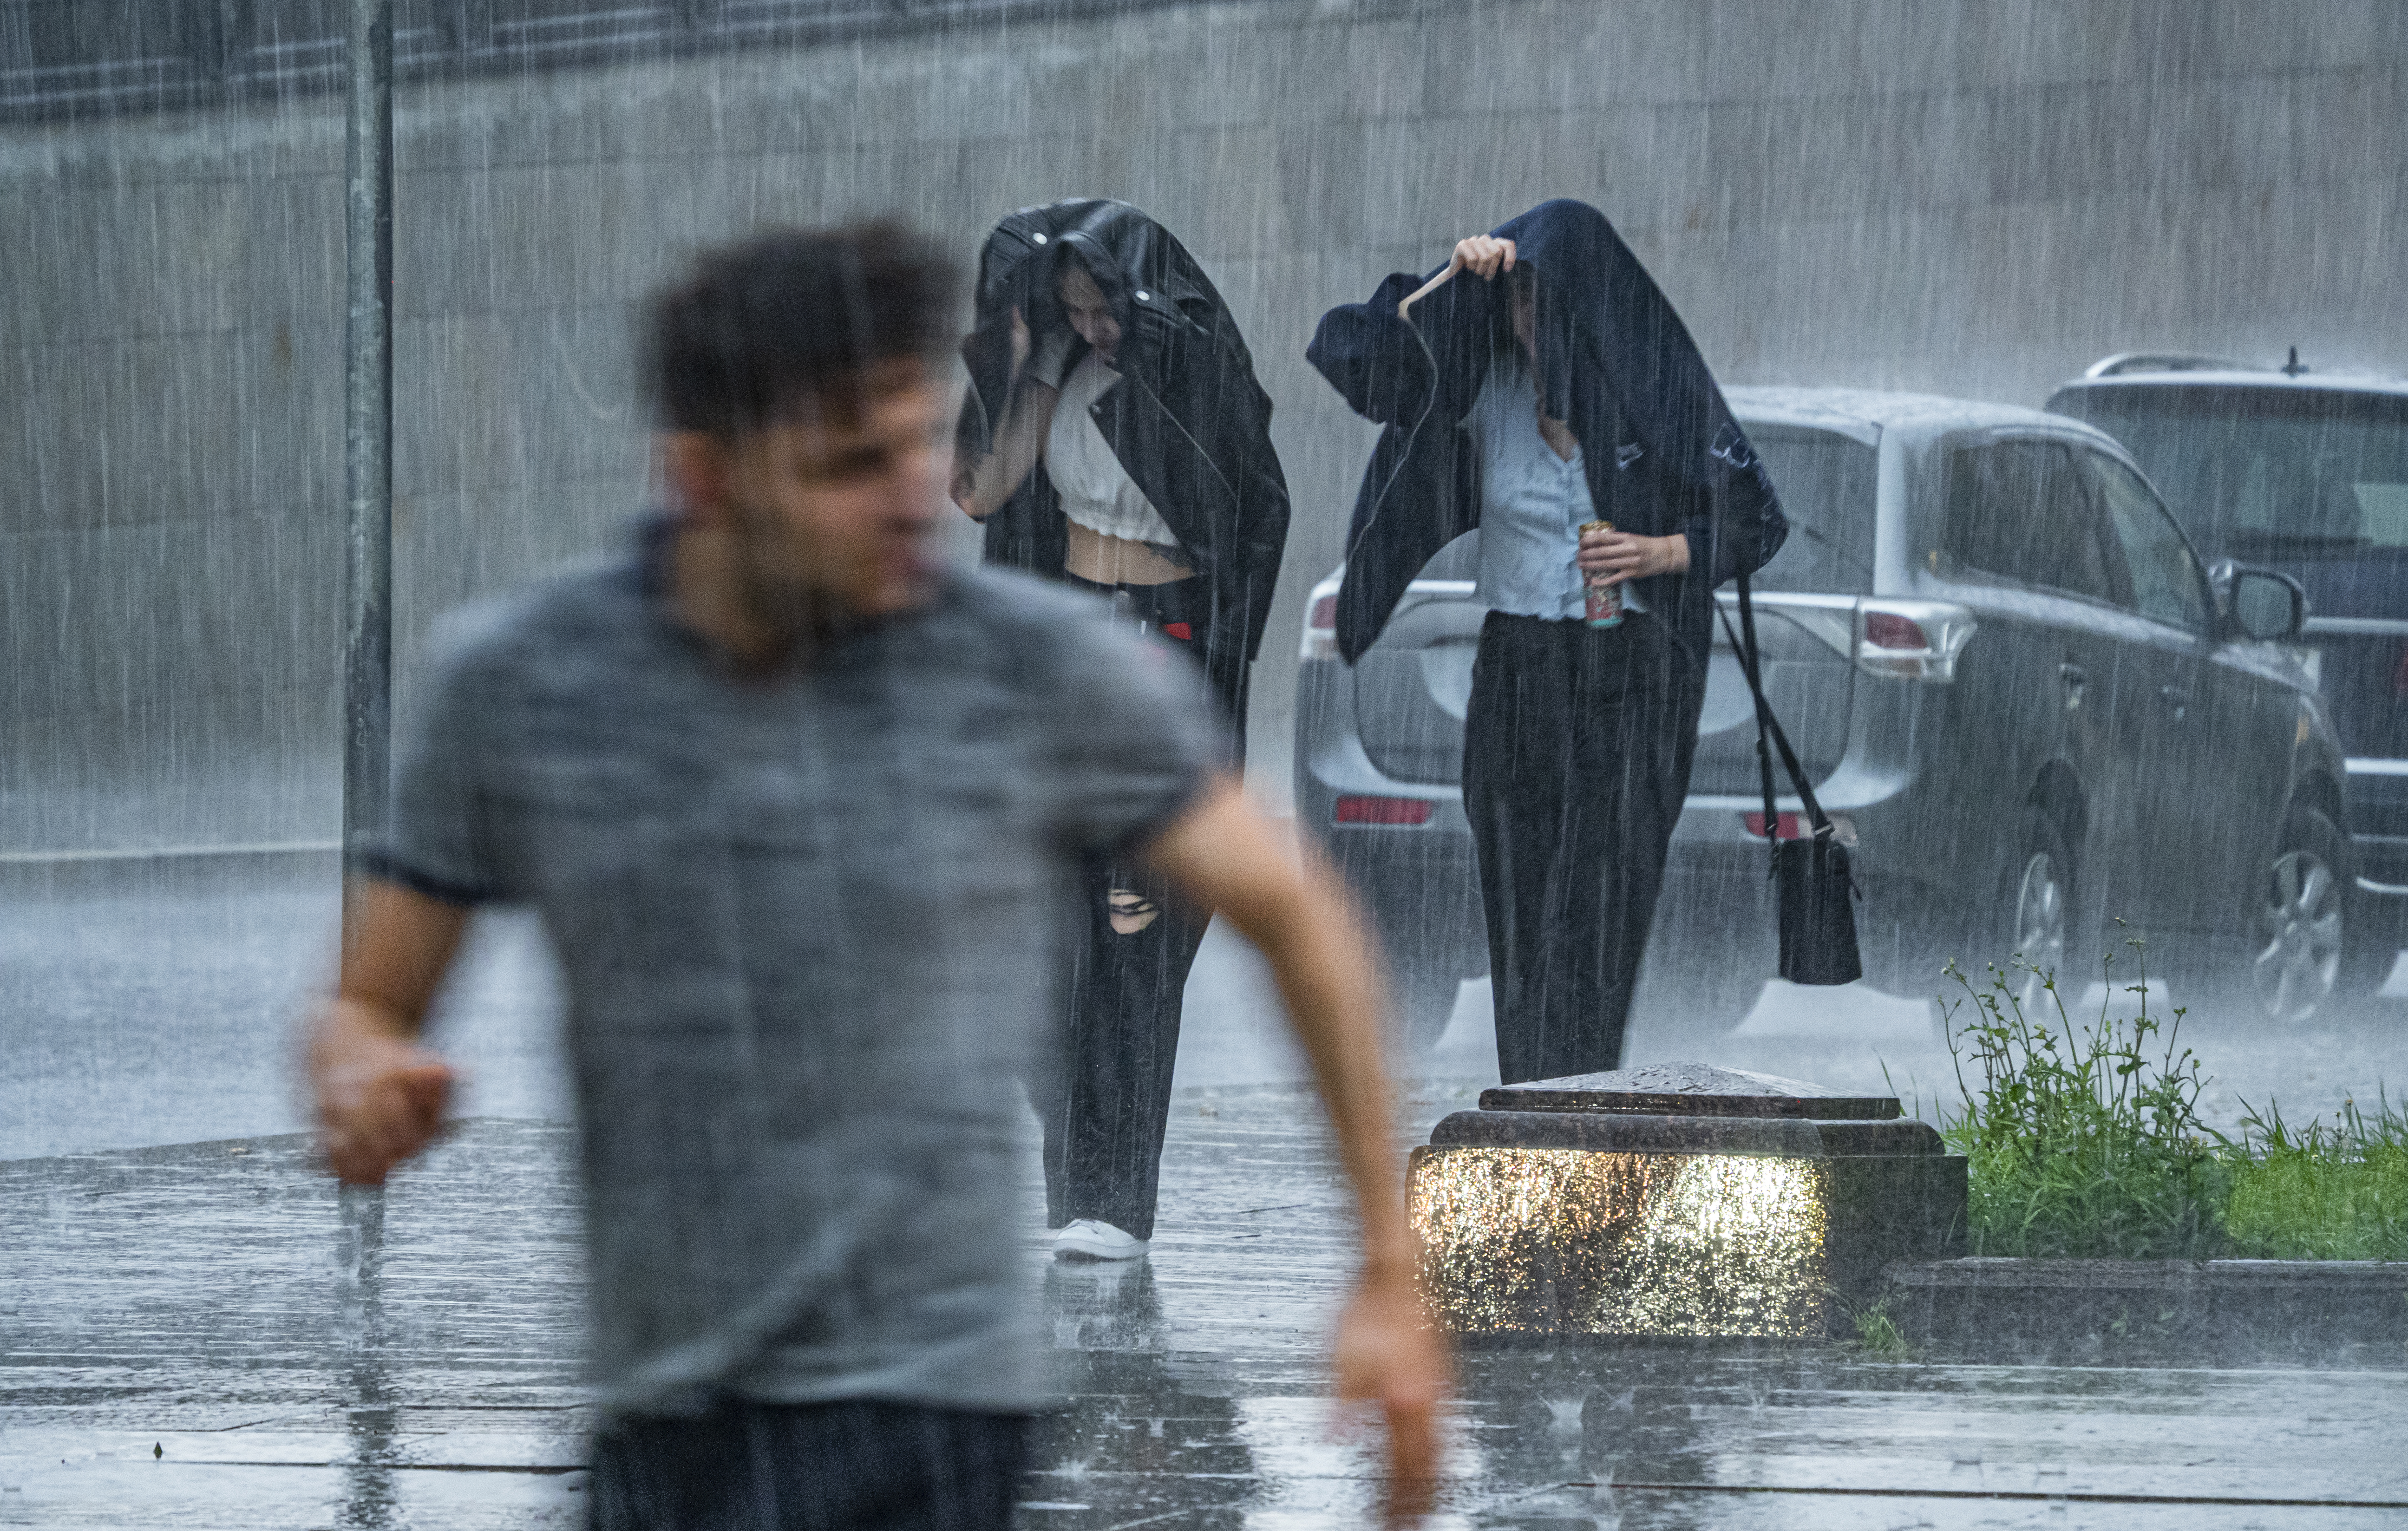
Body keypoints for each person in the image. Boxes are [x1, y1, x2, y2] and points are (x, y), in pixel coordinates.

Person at [308, 223, 1440, 1530]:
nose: (911, 494)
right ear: (704, 477)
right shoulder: (527, 686)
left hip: (946, 1436)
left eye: (910, 440)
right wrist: (360, 1073)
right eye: (849, 463)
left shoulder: (1026, 666)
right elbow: (367, 1004)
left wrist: (1384, 1271)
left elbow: (1294, 916)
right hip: (670, 1437)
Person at [1306, 198, 1787, 1085]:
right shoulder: (1477, 379)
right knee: (1521, 900)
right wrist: (1445, 286)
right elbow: (1355, 358)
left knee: (1599, 904)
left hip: (1636, 670)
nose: (1530, 322)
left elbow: (1759, 521)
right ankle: (1529, 1102)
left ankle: (1585, 1101)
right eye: (1519, 300)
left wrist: (1662, 551)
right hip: (1519, 663)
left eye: (1548, 302)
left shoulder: (1646, 387)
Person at [951, 199, 1288, 1263]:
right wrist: (1031, 370)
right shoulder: (1052, 371)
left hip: (1164, 652)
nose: (1095, 328)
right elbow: (981, 493)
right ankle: (1072, 1187)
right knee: (1042, 932)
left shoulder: (1183, 376)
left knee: (1137, 931)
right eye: (1075, 311)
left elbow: (1246, 510)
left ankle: (1115, 1204)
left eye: (1105, 310)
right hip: (1063, 660)